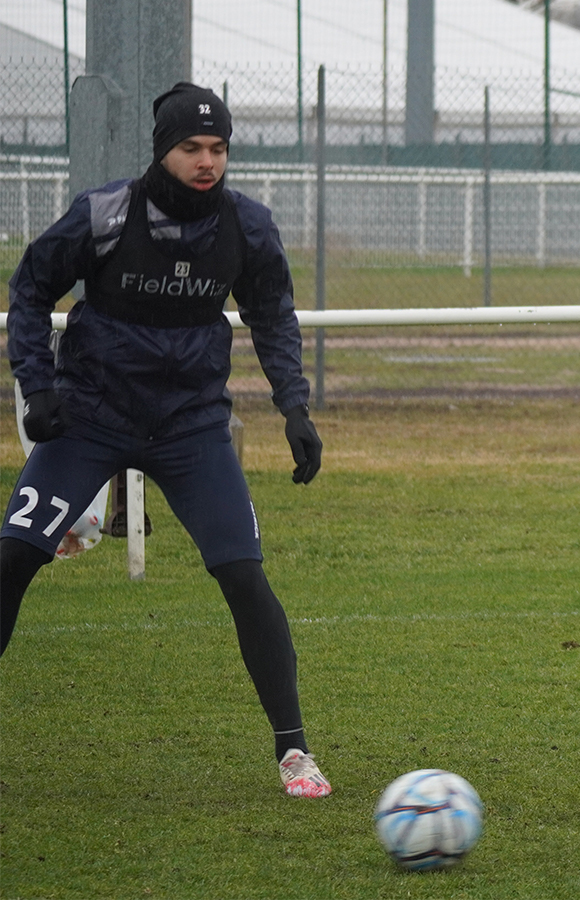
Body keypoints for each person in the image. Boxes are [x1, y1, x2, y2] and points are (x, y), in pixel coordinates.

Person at [1, 82, 331, 799]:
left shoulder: (247, 226)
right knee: (11, 558)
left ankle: (295, 752)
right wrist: (39, 387)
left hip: (190, 427)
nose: (207, 160)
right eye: (191, 148)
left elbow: (272, 315)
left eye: (217, 148)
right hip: (91, 418)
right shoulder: (104, 214)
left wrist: (294, 409)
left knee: (244, 576)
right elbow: (28, 292)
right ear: (163, 151)